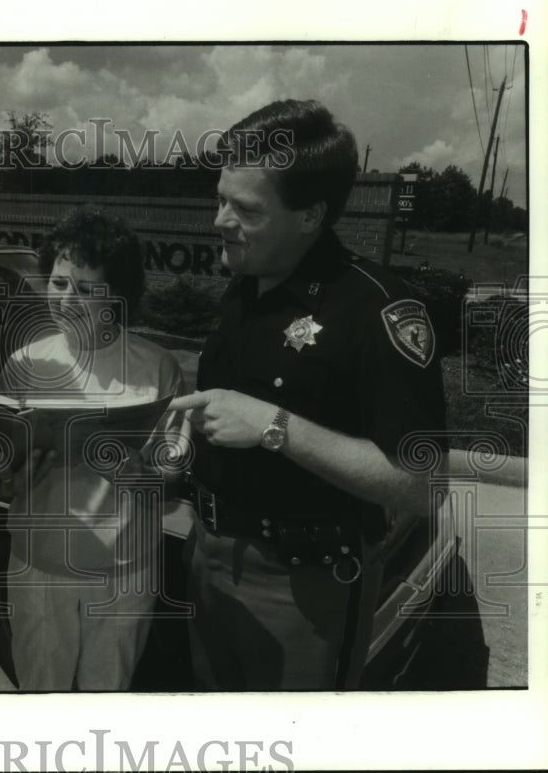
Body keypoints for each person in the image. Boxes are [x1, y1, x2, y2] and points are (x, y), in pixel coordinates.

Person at [170, 100, 447, 690]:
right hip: (207, 557)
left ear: (310, 215)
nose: (219, 220)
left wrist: (275, 425)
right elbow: (229, 421)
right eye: (220, 197)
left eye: (244, 208)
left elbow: (423, 485)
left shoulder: (376, 309)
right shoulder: (246, 287)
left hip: (305, 589)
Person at [0, 205, 187, 691]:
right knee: (40, 700)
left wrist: (146, 476)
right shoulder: (24, 364)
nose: (67, 300)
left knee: (105, 707)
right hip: (38, 567)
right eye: (57, 283)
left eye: (86, 288)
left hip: (124, 575)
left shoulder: (157, 368)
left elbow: (174, 471)